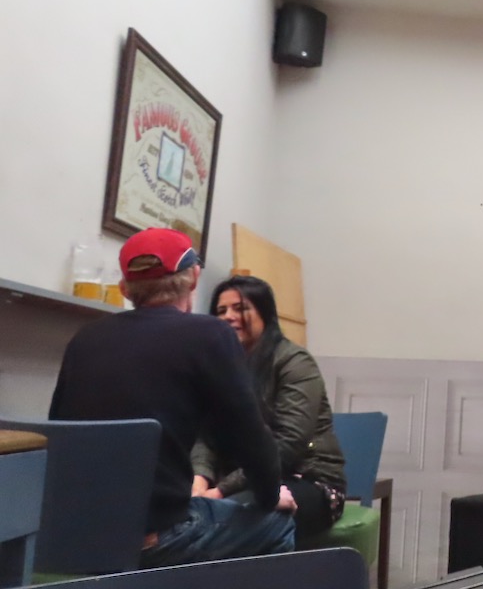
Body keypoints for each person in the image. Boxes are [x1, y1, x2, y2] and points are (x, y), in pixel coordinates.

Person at [49, 227, 296, 567]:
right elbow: (250, 439)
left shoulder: (84, 339)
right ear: (194, 278)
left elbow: (59, 431)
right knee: (278, 523)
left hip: (71, 533)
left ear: (125, 289)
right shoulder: (211, 335)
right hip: (151, 539)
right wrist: (270, 495)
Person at [192, 275, 347, 540]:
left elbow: (288, 444)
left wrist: (220, 491)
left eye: (240, 308)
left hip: (306, 480)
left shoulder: (295, 361)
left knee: (229, 516)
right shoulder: (219, 366)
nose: (228, 316)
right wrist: (199, 481)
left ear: (265, 314)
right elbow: (205, 435)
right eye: (221, 310)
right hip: (238, 480)